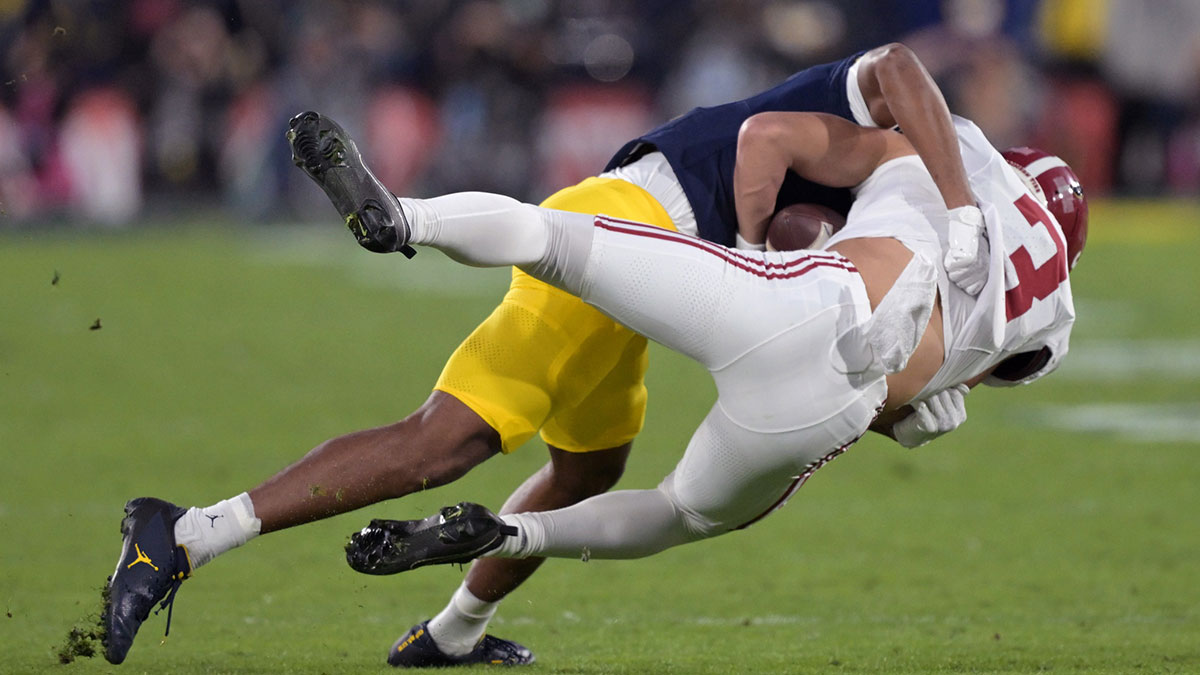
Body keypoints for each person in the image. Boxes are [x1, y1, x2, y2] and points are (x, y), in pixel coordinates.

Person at [101, 44, 999, 667]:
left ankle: (454, 632)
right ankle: (185, 532)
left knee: (589, 466)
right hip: (649, 221)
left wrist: (904, 406)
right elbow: (882, 81)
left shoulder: (896, 191)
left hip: (661, 256)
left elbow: (824, 353)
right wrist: (782, 252)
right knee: (443, 441)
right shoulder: (900, 148)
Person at [327, 111, 1082, 590]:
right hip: (836, 406)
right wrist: (917, 414)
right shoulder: (1052, 317)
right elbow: (962, 374)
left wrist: (762, 246)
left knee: (551, 236)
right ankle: (511, 533)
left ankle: (404, 219)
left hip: (809, 295)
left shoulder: (946, 153)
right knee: (680, 512)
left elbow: (771, 136)